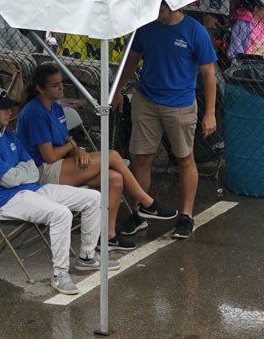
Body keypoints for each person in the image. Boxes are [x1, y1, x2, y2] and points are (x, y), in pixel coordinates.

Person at [15, 63, 175, 251]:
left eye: (62, 83)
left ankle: (108, 236)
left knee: (114, 178)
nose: (61, 88)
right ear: (40, 88)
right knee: (113, 156)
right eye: (55, 85)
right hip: (42, 172)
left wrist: (79, 149)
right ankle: (147, 202)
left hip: (62, 166)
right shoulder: (35, 112)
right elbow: (49, 156)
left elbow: (66, 139)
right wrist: (72, 146)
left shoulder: (56, 107)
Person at [114, 0, 218, 241]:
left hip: (180, 104)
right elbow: (131, 60)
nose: (156, 12)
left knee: (185, 158)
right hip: (147, 100)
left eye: (160, 8)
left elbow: (209, 74)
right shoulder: (147, 27)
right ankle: (140, 211)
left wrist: (210, 112)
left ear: (174, 5)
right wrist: (118, 89)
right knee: (141, 157)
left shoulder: (195, 31)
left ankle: (186, 214)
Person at [0, 88, 111, 295]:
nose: (9, 112)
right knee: (60, 213)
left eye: (10, 108)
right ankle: (60, 275)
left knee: (93, 197)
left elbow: (32, 171)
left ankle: (87, 257)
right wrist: (21, 172)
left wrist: (19, 172)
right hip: (6, 200)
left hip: (34, 189)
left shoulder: (9, 136)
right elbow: (8, 181)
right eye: (3, 109)